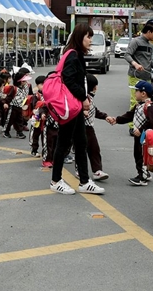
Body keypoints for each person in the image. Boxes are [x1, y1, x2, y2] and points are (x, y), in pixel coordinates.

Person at [49, 23, 105, 196]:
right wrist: (83, 98)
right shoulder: (73, 55)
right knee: (64, 143)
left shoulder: (75, 54)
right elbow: (69, 80)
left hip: (75, 106)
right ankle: (56, 180)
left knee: (81, 143)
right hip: (71, 106)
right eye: (88, 37)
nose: (90, 40)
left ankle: (84, 181)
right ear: (79, 37)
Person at [107, 80, 153, 186]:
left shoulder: (149, 107)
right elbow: (129, 116)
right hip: (139, 135)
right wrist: (116, 119)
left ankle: (142, 177)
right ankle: (145, 173)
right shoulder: (139, 105)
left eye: (136, 91)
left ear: (143, 93)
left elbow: (152, 121)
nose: (135, 93)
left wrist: (140, 129)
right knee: (138, 154)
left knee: (141, 155)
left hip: (144, 136)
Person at [124, 24, 153, 110]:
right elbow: (127, 55)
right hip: (135, 77)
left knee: (146, 103)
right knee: (135, 102)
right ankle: (133, 123)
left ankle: (143, 122)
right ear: (149, 32)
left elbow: (148, 60)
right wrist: (135, 64)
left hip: (147, 77)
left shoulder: (150, 46)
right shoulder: (136, 41)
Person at [81, 73, 109, 181]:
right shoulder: (83, 98)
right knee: (81, 150)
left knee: (94, 148)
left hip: (89, 127)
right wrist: (82, 112)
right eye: (95, 86)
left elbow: (94, 110)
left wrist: (105, 116)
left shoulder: (89, 98)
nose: (96, 88)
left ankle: (97, 171)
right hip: (81, 126)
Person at [3, 68, 32, 139]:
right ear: (20, 81)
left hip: (20, 106)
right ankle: (6, 131)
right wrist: (6, 103)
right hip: (12, 107)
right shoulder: (14, 88)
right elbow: (9, 97)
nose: (26, 82)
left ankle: (19, 132)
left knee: (20, 119)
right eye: (24, 80)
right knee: (9, 119)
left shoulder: (25, 87)